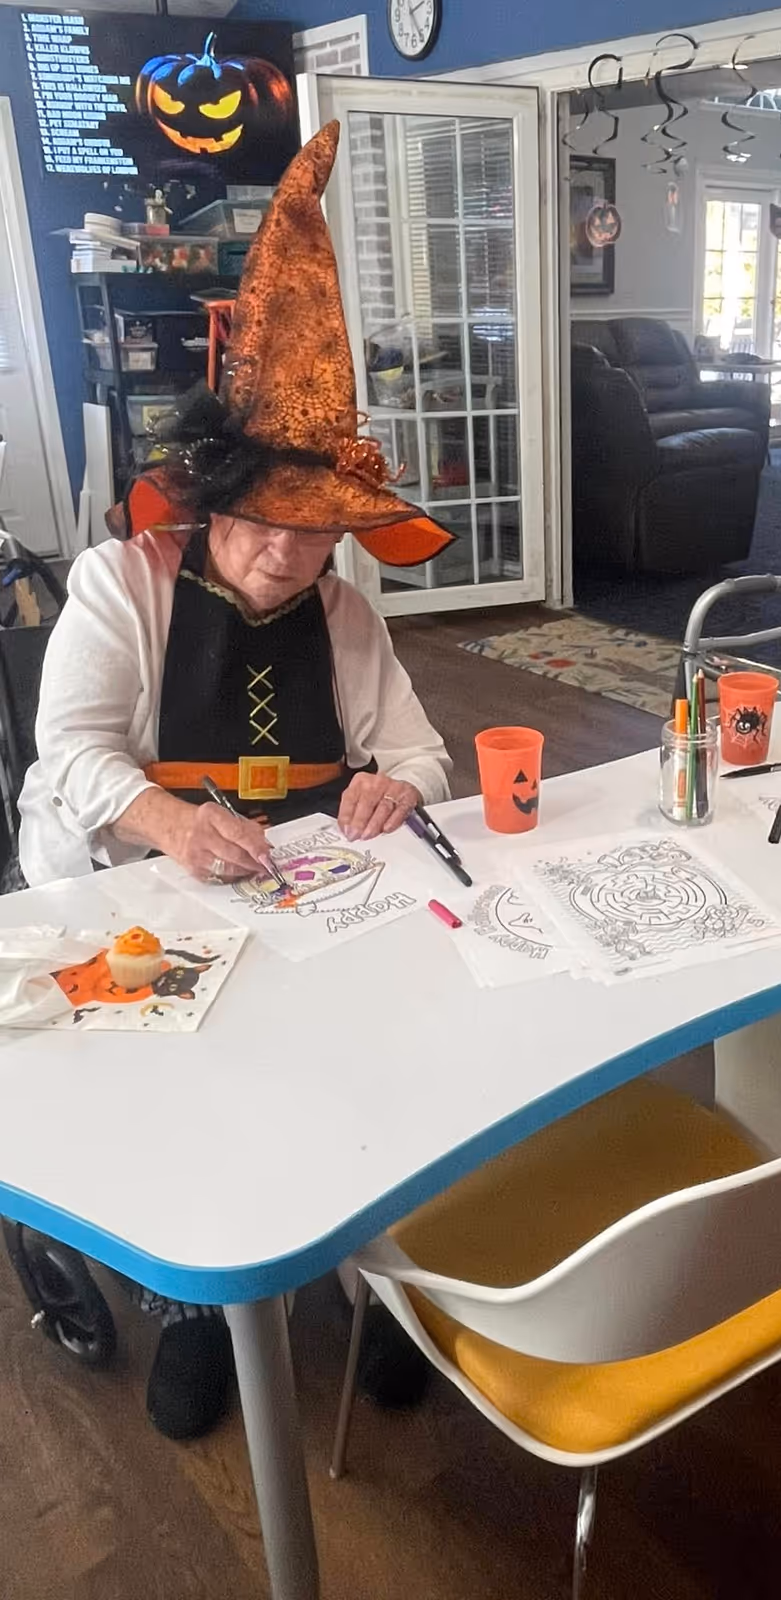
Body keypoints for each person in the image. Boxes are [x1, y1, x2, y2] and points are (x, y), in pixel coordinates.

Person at [18, 122, 454, 1440]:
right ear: (210, 504)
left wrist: (395, 790)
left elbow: (419, 749)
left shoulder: (349, 614)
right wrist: (170, 822)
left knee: (363, 1054)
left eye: (312, 535)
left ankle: (375, 1274)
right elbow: (67, 755)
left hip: (302, 883)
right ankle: (198, 1306)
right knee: (187, 1083)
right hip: (137, 881)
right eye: (259, 523)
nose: (282, 557)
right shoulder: (122, 584)